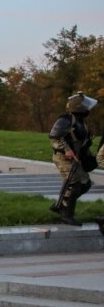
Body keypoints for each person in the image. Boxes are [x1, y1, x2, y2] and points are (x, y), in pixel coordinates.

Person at [49, 92, 98, 226]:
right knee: (74, 184)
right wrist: (67, 149)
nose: (88, 108)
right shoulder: (65, 119)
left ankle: (60, 205)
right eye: (85, 105)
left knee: (85, 184)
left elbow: (83, 142)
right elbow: (54, 136)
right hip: (63, 157)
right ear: (79, 107)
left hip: (77, 157)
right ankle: (66, 215)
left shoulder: (82, 122)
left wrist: (92, 156)